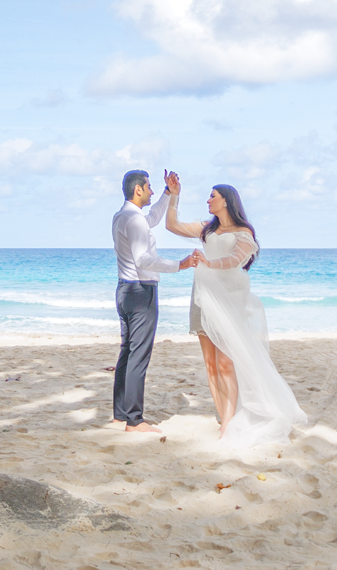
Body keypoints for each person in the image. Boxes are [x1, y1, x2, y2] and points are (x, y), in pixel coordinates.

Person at [164, 180, 307, 450]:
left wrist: (209, 262)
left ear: (226, 200)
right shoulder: (207, 229)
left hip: (229, 300)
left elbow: (234, 261)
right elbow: (172, 225)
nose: (208, 200)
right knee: (209, 363)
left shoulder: (243, 232)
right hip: (203, 297)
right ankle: (225, 420)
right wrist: (174, 196)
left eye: (212, 196)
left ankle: (230, 423)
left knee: (226, 363)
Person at [109, 168, 185, 432]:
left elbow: (151, 219)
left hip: (124, 290)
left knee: (127, 352)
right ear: (138, 189)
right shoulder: (135, 219)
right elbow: (143, 260)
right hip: (141, 291)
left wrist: (167, 193)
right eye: (150, 187)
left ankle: (120, 415)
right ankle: (134, 420)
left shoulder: (123, 215)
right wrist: (181, 264)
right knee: (138, 355)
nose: (152, 190)